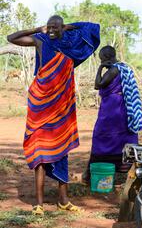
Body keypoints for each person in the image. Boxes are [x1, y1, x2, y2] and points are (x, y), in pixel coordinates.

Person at [7, 15, 100, 215]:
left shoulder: (71, 44)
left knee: (61, 150)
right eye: (49, 26)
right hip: (40, 106)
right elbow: (11, 37)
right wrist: (36, 28)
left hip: (61, 108)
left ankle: (63, 200)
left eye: (55, 26)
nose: (51, 29)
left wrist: (68, 27)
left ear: (62, 27)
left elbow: (93, 28)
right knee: (40, 154)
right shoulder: (41, 40)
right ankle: (39, 203)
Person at [83, 46, 142, 182]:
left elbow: (98, 84)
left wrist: (100, 68)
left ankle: (92, 172)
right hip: (123, 106)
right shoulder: (124, 68)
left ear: (106, 58)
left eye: (101, 59)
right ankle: (125, 173)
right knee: (123, 136)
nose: (101, 61)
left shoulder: (114, 69)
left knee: (101, 136)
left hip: (112, 107)